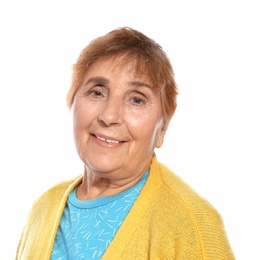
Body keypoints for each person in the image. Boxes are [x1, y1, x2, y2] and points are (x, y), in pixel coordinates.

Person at [16, 27, 235, 259]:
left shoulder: (192, 225)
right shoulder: (42, 209)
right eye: (97, 92)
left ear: (162, 128)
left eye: (136, 99)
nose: (109, 116)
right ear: (72, 103)